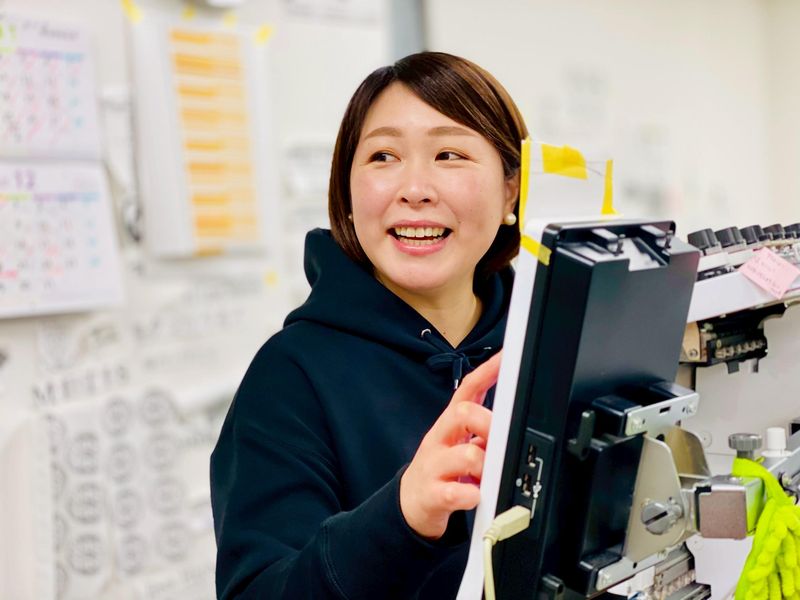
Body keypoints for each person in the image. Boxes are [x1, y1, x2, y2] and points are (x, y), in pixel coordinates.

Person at [210, 51, 528, 599]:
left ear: (510, 191)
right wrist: (402, 516)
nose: (414, 188)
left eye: (448, 154)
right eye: (383, 156)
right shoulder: (290, 376)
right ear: (348, 194)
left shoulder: (545, 343)